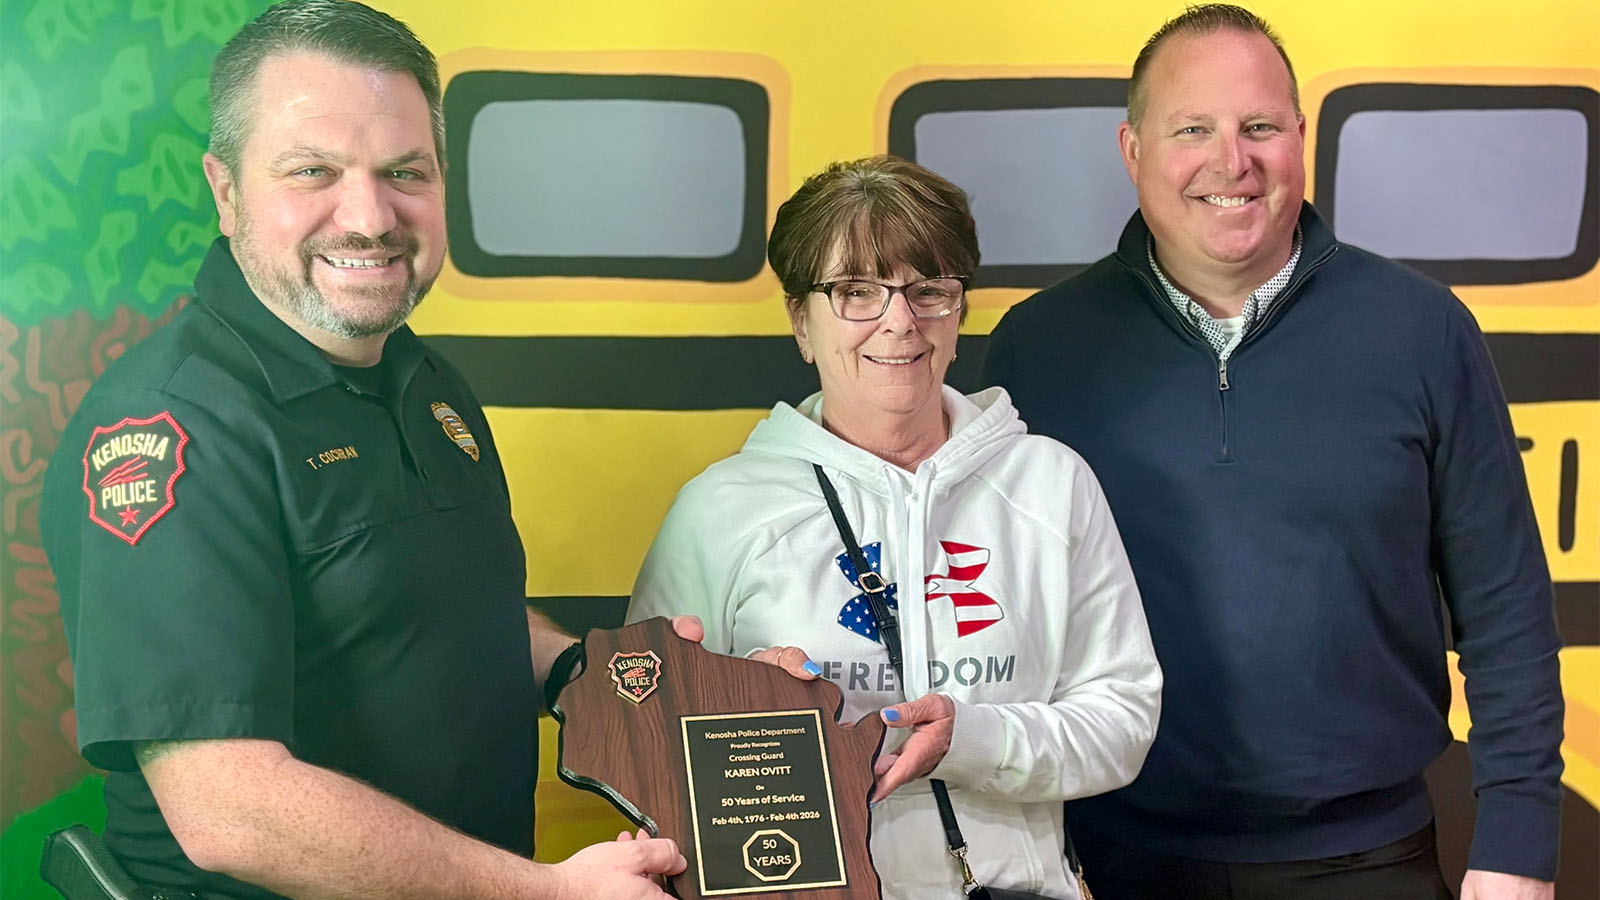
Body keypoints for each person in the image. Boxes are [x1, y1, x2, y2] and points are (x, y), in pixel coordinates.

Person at [39, 2, 693, 897]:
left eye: (404, 171)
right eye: (313, 171)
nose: (370, 215)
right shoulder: (173, 428)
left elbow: (445, 620)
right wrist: (546, 892)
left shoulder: (426, 383)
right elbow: (230, 808)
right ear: (225, 189)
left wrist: (604, 678)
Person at [982, 6, 1565, 900]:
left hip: (1371, 860)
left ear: (1301, 137)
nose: (1232, 161)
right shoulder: (1038, 348)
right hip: (1104, 859)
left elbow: (1507, 605)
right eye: (1193, 130)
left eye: (1259, 126)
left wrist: (1520, 840)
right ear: (1133, 150)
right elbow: (986, 602)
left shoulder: (1423, 330)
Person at [628, 155, 1162, 900]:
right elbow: (641, 742)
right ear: (799, 321)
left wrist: (970, 740)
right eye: (856, 292)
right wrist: (745, 711)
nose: (899, 321)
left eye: (928, 290)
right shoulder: (721, 511)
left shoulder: (1051, 484)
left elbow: (1123, 717)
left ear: (959, 309)